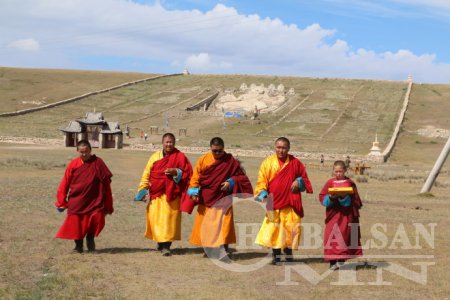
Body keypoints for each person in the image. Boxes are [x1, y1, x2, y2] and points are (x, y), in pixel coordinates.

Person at [182, 137, 253, 261]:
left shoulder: (230, 161)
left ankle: (224, 249)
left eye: (220, 151)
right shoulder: (203, 159)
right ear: (210, 148)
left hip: (223, 198)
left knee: (223, 226)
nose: (217, 153)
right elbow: (195, 177)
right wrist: (193, 190)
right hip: (207, 197)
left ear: (223, 149)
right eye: (215, 151)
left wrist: (231, 182)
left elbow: (240, 176)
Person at [254, 137, 313, 265]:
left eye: (284, 148)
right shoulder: (267, 162)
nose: (281, 150)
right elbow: (261, 181)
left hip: (291, 201)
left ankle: (288, 253)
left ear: (288, 148)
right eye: (278, 147)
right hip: (272, 201)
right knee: (275, 229)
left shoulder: (295, 162)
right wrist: (263, 193)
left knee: (290, 228)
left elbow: (305, 179)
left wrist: (299, 182)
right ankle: (277, 256)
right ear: (275, 147)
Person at [135, 133, 192, 256]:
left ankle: (166, 246)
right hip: (156, 194)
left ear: (174, 143)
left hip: (172, 194)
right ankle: (160, 243)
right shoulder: (155, 157)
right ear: (162, 142)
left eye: (171, 142)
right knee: (156, 219)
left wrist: (176, 172)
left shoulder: (180, 157)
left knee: (169, 220)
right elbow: (147, 173)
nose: (169, 144)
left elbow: (188, 174)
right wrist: (143, 190)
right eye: (166, 142)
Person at [55, 140, 113, 253]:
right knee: (76, 224)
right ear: (77, 151)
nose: (84, 154)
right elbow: (65, 183)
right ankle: (78, 246)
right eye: (81, 152)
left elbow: (106, 184)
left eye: (86, 151)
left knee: (94, 220)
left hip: (95, 200)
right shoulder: (73, 164)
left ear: (90, 150)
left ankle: (90, 240)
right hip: (77, 200)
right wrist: (61, 201)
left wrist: (108, 203)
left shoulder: (98, 162)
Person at [318, 160, 363, 270]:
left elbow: (355, 201)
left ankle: (341, 261)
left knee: (344, 237)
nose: (338, 174)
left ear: (345, 171)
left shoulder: (350, 183)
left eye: (340, 171)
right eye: (336, 171)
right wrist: (331, 198)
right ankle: (332, 262)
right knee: (331, 237)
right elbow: (322, 197)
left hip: (346, 215)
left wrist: (344, 197)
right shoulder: (330, 182)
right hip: (333, 215)